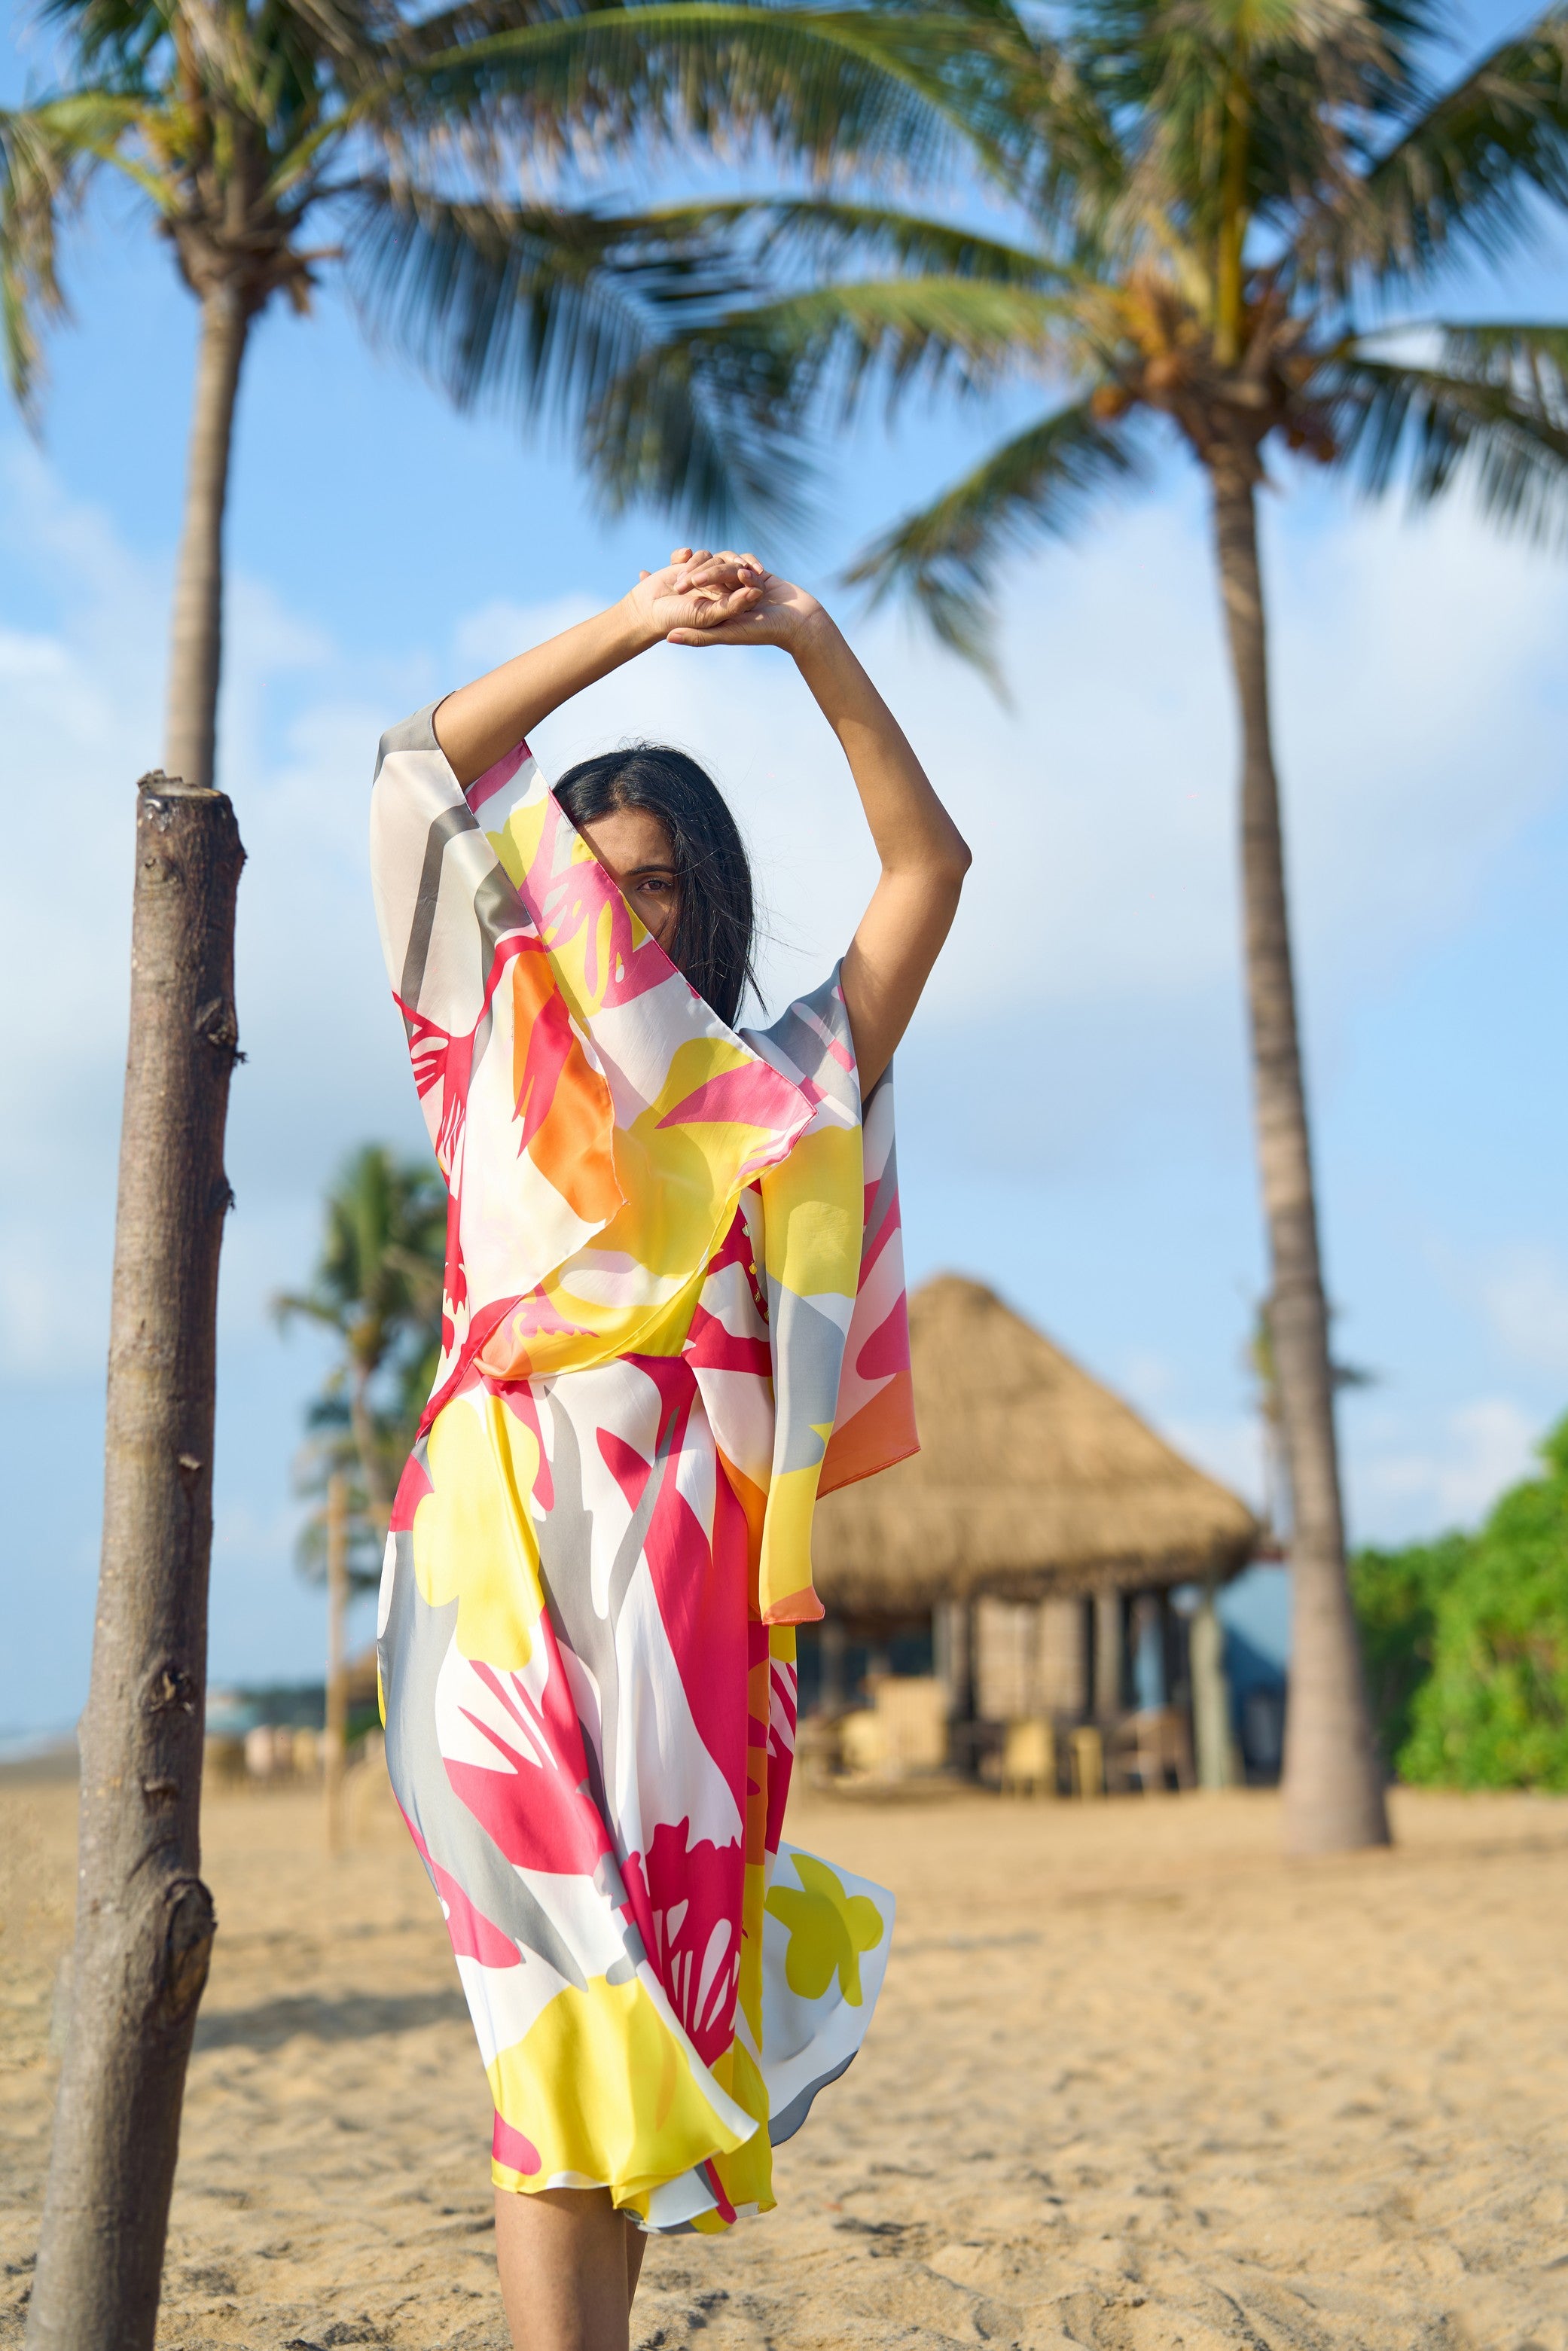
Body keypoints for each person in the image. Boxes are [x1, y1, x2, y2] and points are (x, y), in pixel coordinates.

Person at [368, 549, 970, 2351]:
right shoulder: (480, 1038)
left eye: (663, 892)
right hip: (503, 1551)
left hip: (705, 1603)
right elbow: (419, 764)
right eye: (600, 888)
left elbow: (929, 867)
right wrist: (632, 626)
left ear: (708, 915)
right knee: (552, 1991)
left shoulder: (792, 1089)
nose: (626, 923)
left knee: (646, 2005)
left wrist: (809, 641)